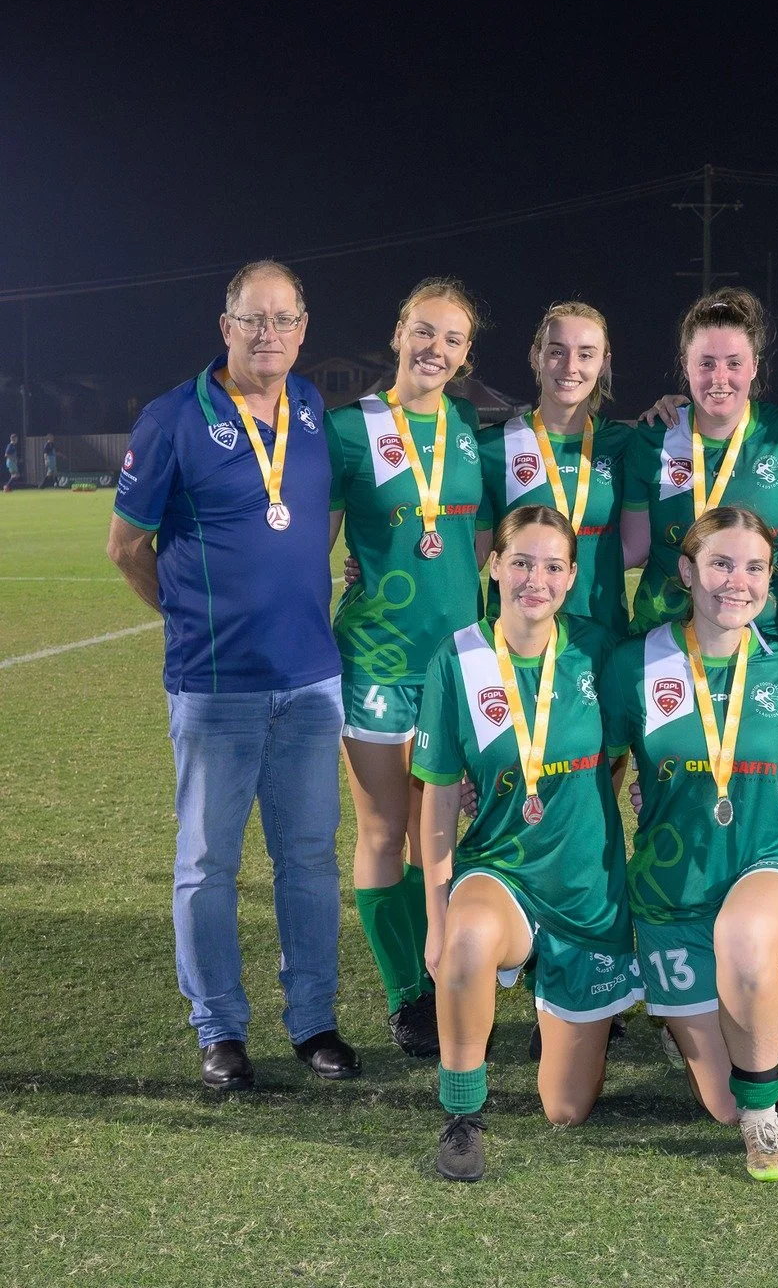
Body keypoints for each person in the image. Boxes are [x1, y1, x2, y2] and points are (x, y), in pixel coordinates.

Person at [107, 260, 358, 1090]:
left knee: (309, 860)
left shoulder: (312, 408)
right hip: (216, 688)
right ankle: (219, 1028)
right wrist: (186, 618)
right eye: (253, 319)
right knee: (208, 864)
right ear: (226, 328)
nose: (268, 333)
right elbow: (126, 547)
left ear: (303, 330)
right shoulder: (172, 418)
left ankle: (313, 1020)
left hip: (311, 682)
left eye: (283, 319)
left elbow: (320, 513)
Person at [413, 505, 639, 1182]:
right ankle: (462, 1114)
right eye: (520, 562)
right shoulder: (458, 658)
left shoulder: (600, 652)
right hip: (501, 870)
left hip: (587, 893)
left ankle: (554, 993)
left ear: (571, 577)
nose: (534, 580)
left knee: (566, 1109)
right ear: (494, 566)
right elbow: (438, 801)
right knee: (466, 942)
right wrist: (437, 920)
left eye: (551, 566)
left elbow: (645, 744)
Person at [601, 506, 778, 1181]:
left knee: (745, 937)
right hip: (672, 892)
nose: (737, 582)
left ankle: (765, 1116)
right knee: (719, 1102)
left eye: (755, 567)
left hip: (769, 866)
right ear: (687, 571)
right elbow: (588, 769)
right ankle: (716, 1028)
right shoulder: (634, 663)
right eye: (721, 564)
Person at [326, 279, 487, 1056]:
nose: (435, 349)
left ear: (465, 354)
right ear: (397, 333)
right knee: (387, 829)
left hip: (454, 665)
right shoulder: (349, 429)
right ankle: (406, 994)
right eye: (424, 331)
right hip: (378, 659)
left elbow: (478, 544)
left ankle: (442, 969)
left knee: (439, 834)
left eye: (452, 339)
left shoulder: (469, 428)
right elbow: (315, 544)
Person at [622, 289, 778, 645]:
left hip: (765, 640)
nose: (719, 378)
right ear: (685, 365)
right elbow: (633, 547)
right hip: (665, 636)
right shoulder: (653, 436)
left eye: (734, 363)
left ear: (754, 365)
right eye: (706, 363)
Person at [477, 302, 639, 637]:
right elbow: (473, 551)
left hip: (601, 636)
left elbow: (639, 544)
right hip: (516, 640)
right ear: (535, 355)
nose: (570, 366)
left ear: (604, 363)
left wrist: (675, 407)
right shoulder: (492, 447)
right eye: (556, 352)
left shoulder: (626, 444)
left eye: (585, 354)